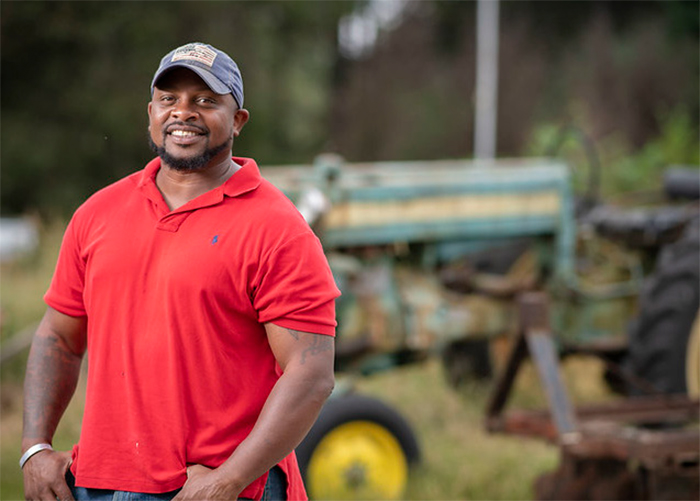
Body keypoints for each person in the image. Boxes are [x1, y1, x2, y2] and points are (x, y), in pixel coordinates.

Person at [21, 42, 340, 501]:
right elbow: (58, 336)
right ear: (150, 112)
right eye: (169, 99)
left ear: (238, 120)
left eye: (206, 101)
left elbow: (311, 374)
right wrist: (34, 448)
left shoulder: (276, 228)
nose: (183, 112)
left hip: (216, 488)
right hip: (97, 483)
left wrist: (228, 479)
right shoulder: (97, 213)